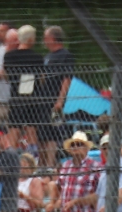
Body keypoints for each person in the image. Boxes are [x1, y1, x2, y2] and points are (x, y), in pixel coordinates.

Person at [37, 26, 74, 169]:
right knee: (42, 132)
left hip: (54, 99)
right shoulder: (47, 56)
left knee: (51, 134)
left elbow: (67, 78)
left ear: (53, 38)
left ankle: (50, 165)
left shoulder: (65, 55)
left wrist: (60, 100)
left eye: (46, 38)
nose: (44, 41)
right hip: (42, 99)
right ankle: (41, 164)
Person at [4, 24, 42, 156]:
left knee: (14, 128)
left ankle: (11, 157)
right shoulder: (37, 58)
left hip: (15, 96)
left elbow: (7, 76)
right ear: (31, 39)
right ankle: (32, 157)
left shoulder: (9, 57)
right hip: (32, 96)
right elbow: (41, 78)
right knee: (31, 128)